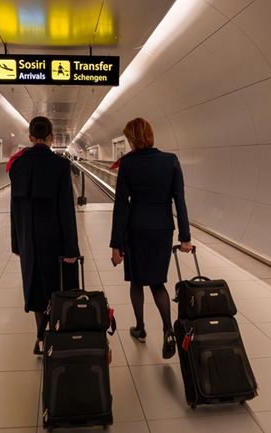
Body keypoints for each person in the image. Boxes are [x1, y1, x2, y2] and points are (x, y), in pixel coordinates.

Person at [109, 117, 193, 359]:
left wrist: (116, 243)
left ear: (132, 139)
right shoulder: (170, 161)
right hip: (162, 229)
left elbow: (121, 205)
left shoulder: (127, 164)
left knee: (137, 281)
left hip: (135, 228)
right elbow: (180, 200)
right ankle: (168, 329)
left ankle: (140, 327)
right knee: (157, 282)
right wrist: (185, 236)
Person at [8, 116, 80, 355]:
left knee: (36, 286)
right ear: (51, 138)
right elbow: (66, 210)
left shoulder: (17, 165)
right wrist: (71, 248)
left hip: (29, 239)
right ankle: (58, 335)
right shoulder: (59, 166)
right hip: (55, 239)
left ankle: (40, 337)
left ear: (30, 137)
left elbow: (14, 208)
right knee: (59, 287)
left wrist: (17, 243)